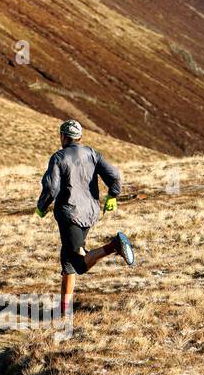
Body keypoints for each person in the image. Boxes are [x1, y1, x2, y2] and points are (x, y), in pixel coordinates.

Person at [35, 120, 135, 315]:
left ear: (63, 137)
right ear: (80, 137)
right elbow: (114, 175)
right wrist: (112, 195)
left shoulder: (59, 157)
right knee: (67, 260)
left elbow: (51, 188)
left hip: (69, 214)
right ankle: (64, 311)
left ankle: (114, 245)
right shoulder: (92, 153)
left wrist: (42, 206)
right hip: (89, 213)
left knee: (78, 264)